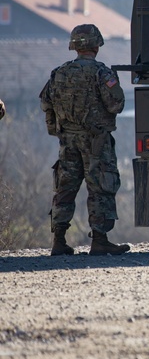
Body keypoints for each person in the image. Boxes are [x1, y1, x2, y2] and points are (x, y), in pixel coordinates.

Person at [39, 24, 130, 256]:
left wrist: (57, 131)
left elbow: (45, 104)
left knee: (65, 189)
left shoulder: (59, 73)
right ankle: (99, 240)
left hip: (67, 141)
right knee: (101, 187)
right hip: (95, 142)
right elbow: (116, 105)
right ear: (96, 45)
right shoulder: (102, 73)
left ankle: (58, 241)